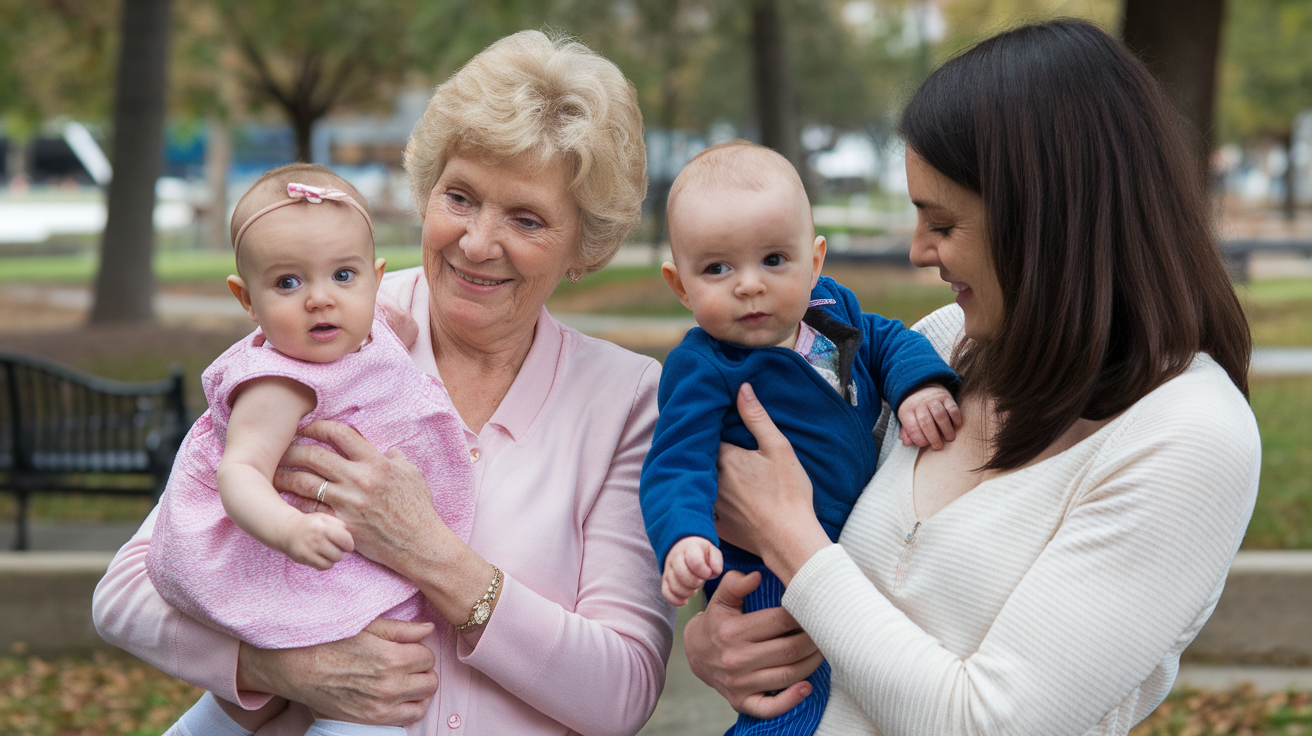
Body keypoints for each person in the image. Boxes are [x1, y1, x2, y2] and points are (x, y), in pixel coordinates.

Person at [683, 19, 1260, 735]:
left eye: (944, 223)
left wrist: (789, 540)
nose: (920, 250)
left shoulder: (1190, 436)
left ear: (1046, 220)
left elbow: (988, 722)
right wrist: (718, 643)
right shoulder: (947, 342)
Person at [93, 30, 675, 736]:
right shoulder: (331, 328)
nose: (478, 241)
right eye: (459, 198)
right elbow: (127, 591)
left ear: (586, 245)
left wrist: (431, 555)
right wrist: (278, 669)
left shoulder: (626, 398)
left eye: (526, 218)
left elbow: (621, 694)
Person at [144, 164, 476, 736]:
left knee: (262, 707)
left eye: (342, 276)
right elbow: (241, 471)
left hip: (338, 557)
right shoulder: (278, 383)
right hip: (299, 561)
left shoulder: (375, 331)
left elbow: (394, 330)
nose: (320, 300)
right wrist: (289, 531)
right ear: (246, 299)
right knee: (353, 698)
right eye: (289, 284)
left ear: (375, 279)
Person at [641, 141, 960, 734]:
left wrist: (918, 388)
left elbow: (888, 342)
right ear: (680, 285)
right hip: (764, 571)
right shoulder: (705, 366)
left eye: (773, 260)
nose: (749, 286)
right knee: (791, 700)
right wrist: (683, 537)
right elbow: (676, 462)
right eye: (717, 268)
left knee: (863, 687)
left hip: (853, 546)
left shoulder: (829, 311)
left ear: (814, 261)